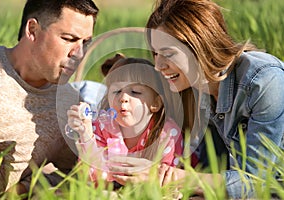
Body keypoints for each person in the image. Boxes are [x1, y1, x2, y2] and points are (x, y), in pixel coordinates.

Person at [108, 0, 284, 199]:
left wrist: (168, 177)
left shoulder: (264, 81)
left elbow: (257, 182)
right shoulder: (198, 90)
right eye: (156, 54)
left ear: (201, 45)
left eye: (168, 54)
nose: (158, 66)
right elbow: (214, 171)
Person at [0, 0, 99, 196]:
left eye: (85, 42)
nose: (79, 53)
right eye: (69, 38)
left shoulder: (69, 106)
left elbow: (81, 177)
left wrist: (27, 187)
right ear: (33, 30)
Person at [66, 56, 198, 185]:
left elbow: (165, 181)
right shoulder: (101, 127)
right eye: (116, 91)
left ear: (156, 103)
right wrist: (86, 135)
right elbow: (90, 177)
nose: (123, 97)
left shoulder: (167, 133)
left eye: (135, 92)